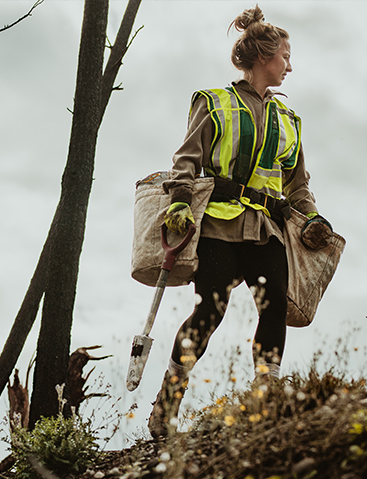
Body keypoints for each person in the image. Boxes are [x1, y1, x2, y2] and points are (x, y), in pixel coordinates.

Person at [148, 5, 332, 438]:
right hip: (218, 225)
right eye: (286, 55)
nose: (291, 65)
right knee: (209, 310)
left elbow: (298, 185)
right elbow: (186, 161)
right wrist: (177, 201)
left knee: (273, 309)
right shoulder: (213, 102)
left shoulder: (290, 120)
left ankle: (264, 396)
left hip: (268, 231)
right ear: (264, 56)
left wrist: (313, 216)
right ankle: (166, 406)